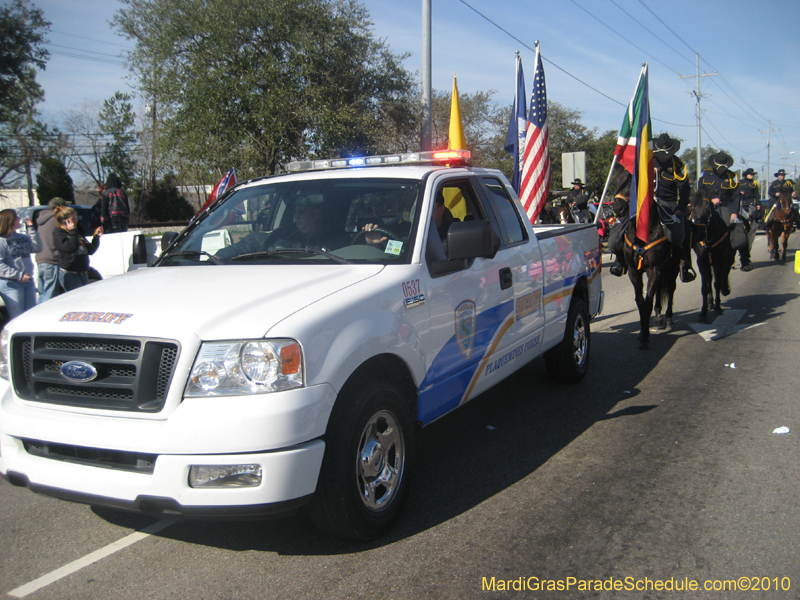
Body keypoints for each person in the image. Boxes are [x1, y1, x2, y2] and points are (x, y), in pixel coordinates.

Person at [215, 194, 351, 260]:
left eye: (301, 213)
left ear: (316, 214)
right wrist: (217, 259)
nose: (296, 217)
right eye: (294, 213)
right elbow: (252, 242)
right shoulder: (282, 236)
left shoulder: (339, 241)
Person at [652, 133, 695, 280]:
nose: (663, 158)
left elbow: (684, 190)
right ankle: (622, 260)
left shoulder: (678, 165)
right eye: (660, 155)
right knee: (627, 222)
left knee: (685, 228)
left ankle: (685, 262)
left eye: (666, 155)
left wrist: (680, 208)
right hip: (648, 200)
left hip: (668, 202)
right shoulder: (647, 161)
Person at [0, 209, 42, 320]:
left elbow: (37, 248)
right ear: (10, 221)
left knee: (30, 315)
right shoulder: (2, 241)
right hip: (11, 284)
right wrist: (18, 275)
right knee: (17, 317)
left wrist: (31, 229)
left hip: (28, 282)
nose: (19, 219)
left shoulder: (22, 237)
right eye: (16, 218)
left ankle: (29, 337)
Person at [53, 205, 104, 292]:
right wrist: (73, 231)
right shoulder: (59, 234)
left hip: (83, 272)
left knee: (85, 297)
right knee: (77, 298)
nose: (76, 221)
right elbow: (71, 247)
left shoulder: (77, 232)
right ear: (64, 221)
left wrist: (96, 236)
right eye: (73, 219)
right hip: (70, 273)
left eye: (75, 218)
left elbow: (90, 250)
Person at [35, 197, 67, 303]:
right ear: (59, 207)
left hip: (41, 259)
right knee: (48, 295)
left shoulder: (42, 219)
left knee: (43, 292)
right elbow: (56, 241)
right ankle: (39, 315)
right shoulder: (55, 220)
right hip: (51, 259)